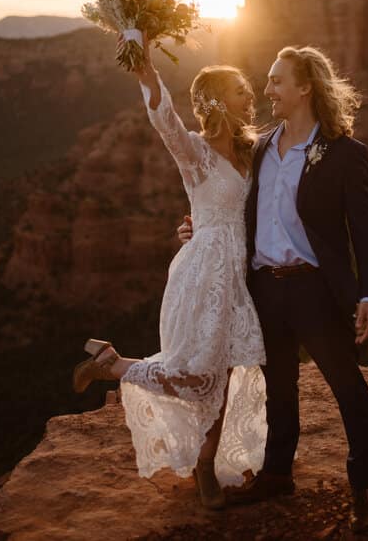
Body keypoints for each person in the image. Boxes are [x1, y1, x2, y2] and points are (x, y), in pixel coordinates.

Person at [178, 45, 368, 532]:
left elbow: (367, 230)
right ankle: (276, 473)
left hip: (316, 289)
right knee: (279, 388)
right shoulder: (258, 148)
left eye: (276, 81)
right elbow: (222, 203)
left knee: (346, 386)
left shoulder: (343, 153)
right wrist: (195, 229)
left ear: (304, 88)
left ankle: (362, 487)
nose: (266, 90)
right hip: (264, 288)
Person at [72, 33, 267, 510]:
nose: (251, 96)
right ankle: (115, 365)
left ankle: (206, 468)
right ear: (219, 100)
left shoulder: (253, 151)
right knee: (198, 374)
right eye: (242, 90)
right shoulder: (196, 153)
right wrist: (146, 72)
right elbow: (166, 121)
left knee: (226, 374)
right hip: (205, 274)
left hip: (241, 277)